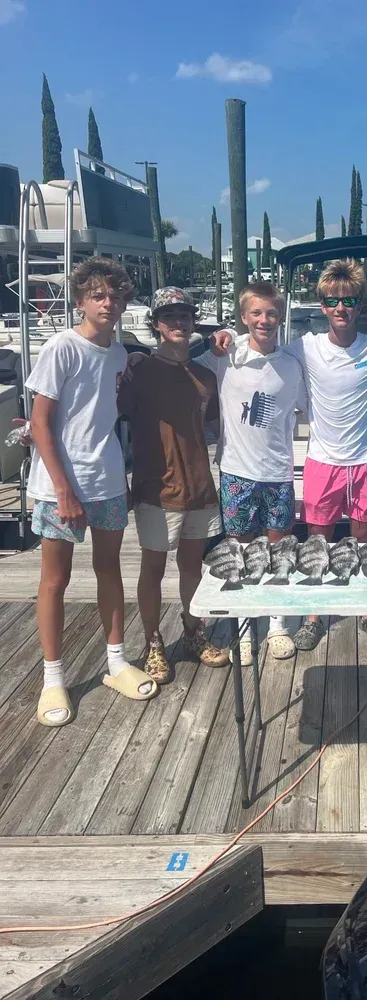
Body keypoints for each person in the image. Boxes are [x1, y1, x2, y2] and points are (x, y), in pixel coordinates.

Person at [27, 257, 157, 727]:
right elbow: (40, 424)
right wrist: (63, 489)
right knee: (54, 580)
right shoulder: (61, 347)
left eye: (116, 295)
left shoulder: (121, 353)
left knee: (108, 570)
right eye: (99, 295)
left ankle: (116, 662)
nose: (109, 303)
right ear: (80, 300)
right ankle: (53, 678)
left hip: (106, 479)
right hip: (57, 483)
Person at [284, 259, 367, 652]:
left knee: (365, 540)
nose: (340, 309)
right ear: (322, 307)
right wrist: (227, 338)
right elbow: (261, 346)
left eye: (348, 301)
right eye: (332, 302)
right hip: (322, 462)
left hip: (365, 461)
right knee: (318, 542)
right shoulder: (304, 346)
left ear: (360, 306)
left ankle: (366, 609)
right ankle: (315, 615)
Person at [118, 287, 229, 684]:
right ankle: (152, 643)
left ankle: (193, 632)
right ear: (156, 325)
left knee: (192, 567)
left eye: (184, 315)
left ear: (193, 321)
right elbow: (100, 412)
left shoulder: (204, 376)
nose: (178, 323)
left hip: (200, 485)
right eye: (169, 317)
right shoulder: (137, 369)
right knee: (152, 567)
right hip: (155, 487)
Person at [199, 281, 307, 662]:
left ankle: (277, 624)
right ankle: (244, 626)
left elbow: (313, 407)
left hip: (278, 472)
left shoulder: (293, 365)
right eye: (256, 313)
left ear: (281, 317)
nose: (264, 320)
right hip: (236, 471)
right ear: (244, 316)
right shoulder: (224, 357)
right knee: (241, 553)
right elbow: (185, 363)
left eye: (271, 313)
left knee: (279, 552)